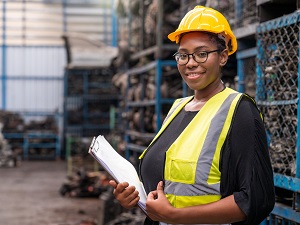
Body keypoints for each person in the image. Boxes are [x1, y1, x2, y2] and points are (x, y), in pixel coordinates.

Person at [109, 5, 275, 225]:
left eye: (202, 53)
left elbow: (255, 199)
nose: (190, 62)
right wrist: (132, 197)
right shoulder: (178, 107)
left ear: (223, 56)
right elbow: (168, 182)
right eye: (183, 55)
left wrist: (175, 216)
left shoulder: (239, 110)